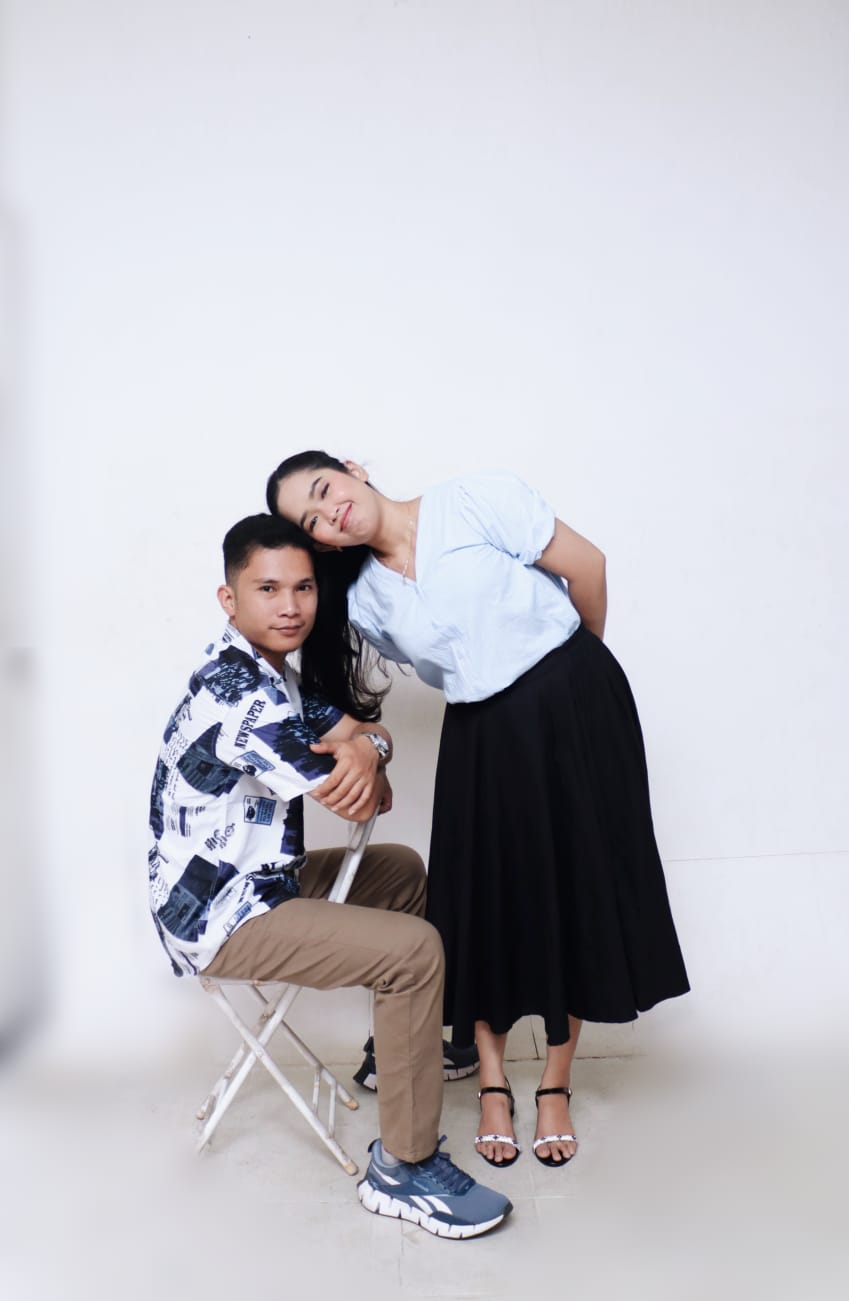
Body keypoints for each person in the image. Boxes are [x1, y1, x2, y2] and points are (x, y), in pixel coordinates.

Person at [267, 453, 690, 1170]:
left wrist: (576, 674)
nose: (328, 513)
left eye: (323, 490)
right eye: (312, 522)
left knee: (575, 882)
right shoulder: (364, 601)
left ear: (351, 470)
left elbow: (587, 566)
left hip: (573, 702)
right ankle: (493, 1083)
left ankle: (553, 1084)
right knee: (483, 897)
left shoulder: (471, 500)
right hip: (481, 729)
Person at [147, 513, 511, 1238]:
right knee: (413, 952)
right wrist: (366, 754)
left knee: (401, 871)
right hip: (217, 915)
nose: (291, 606)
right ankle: (404, 1168)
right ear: (229, 599)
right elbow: (352, 791)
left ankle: (394, 1057)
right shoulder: (238, 693)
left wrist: (368, 748)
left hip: (261, 879)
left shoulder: (272, 673)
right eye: (268, 589)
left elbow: (365, 738)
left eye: (304, 587)